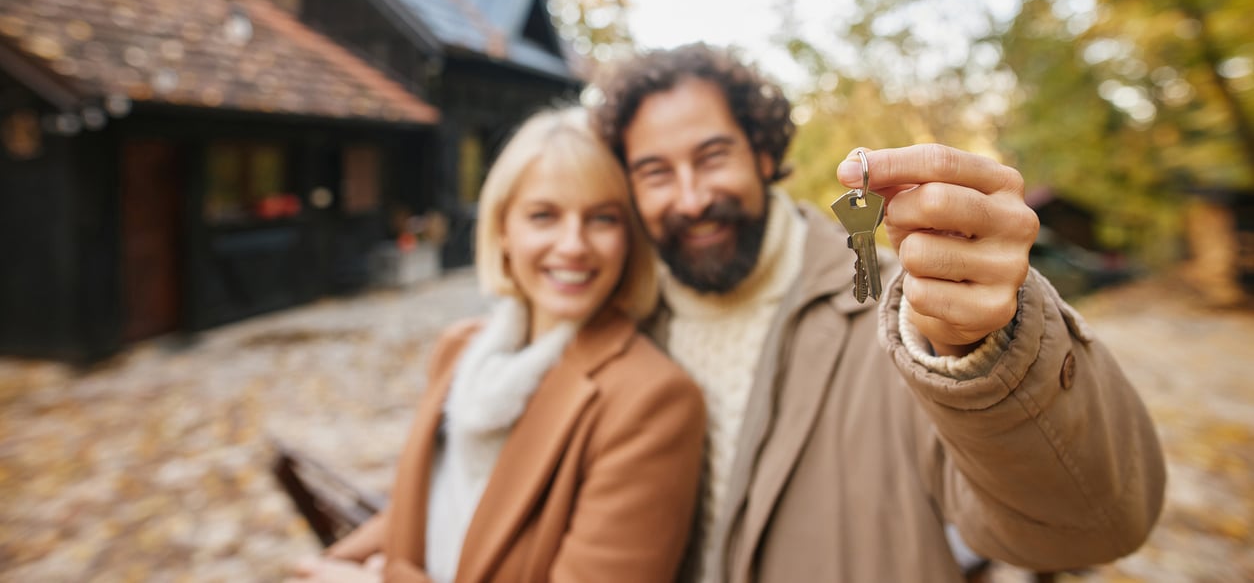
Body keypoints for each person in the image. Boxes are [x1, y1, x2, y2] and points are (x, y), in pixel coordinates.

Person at [588, 43, 1166, 583]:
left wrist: (990, 350)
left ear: (764, 155)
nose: (690, 198)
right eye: (656, 172)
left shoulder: (910, 318)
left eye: (712, 157)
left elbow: (1091, 525)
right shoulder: (617, 330)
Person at [289, 107, 706, 583]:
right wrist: (327, 566)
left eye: (602, 218)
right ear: (504, 229)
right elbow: (429, 505)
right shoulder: (460, 350)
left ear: (629, 239)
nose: (573, 244)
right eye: (544, 215)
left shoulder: (649, 400)